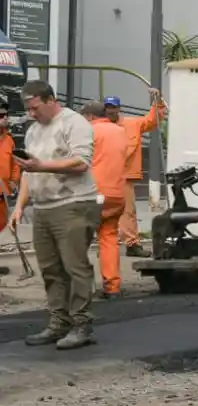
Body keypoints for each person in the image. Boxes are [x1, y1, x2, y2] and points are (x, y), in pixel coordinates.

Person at [10, 80, 98, 349]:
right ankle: (59, 323)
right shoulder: (33, 131)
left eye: (35, 108)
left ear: (50, 100)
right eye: (28, 109)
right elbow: (28, 171)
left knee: (75, 267)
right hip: (44, 207)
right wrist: (20, 206)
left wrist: (42, 166)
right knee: (50, 269)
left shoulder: (74, 123)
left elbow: (81, 162)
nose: (32, 114)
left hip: (73, 203)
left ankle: (81, 324)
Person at [104, 88, 166, 258]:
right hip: (102, 177)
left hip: (124, 178)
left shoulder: (132, 124)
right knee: (98, 211)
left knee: (128, 212)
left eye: (113, 107)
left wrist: (157, 100)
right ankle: (103, 244)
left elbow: (154, 120)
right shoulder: (99, 128)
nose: (111, 110)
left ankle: (131, 244)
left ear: (119, 108)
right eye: (108, 107)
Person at [81, 101, 129, 299]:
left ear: (90, 117)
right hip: (116, 194)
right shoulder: (120, 131)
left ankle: (82, 288)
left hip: (91, 193)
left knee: (78, 239)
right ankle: (112, 287)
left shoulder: (88, 132)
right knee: (108, 238)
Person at [0, 101, 22, 234]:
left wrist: (14, 180)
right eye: (1, 115)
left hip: (3, 194)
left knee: (2, 225)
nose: (5, 118)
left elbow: (15, 163)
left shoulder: (9, 140)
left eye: (6, 115)